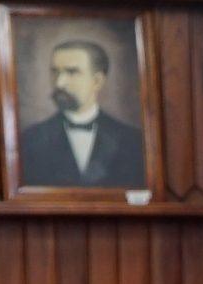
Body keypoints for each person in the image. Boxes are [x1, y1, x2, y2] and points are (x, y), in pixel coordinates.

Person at [16, 38, 146, 189]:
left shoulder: (132, 141)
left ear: (97, 81)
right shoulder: (30, 140)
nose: (59, 83)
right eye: (55, 72)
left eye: (72, 72)